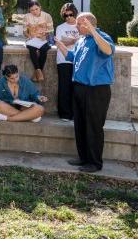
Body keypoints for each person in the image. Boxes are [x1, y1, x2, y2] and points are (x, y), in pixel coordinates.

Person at [55, 12, 115, 173]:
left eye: (80, 24)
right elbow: (74, 57)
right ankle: (83, 158)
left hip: (96, 90)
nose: (76, 26)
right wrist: (59, 45)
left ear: (88, 24)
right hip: (80, 88)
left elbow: (108, 51)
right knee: (80, 125)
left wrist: (93, 31)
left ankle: (95, 163)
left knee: (93, 127)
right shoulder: (82, 40)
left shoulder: (101, 37)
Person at [55, 3, 80, 121]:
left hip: (79, 60)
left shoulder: (80, 26)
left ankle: (76, 114)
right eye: (66, 15)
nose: (69, 17)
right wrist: (75, 40)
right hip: (63, 60)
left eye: (71, 14)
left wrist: (69, 41)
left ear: (75, 13)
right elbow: (60, 43)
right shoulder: (60, 28)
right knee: (64, 87)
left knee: (77, 88)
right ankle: (65, 114)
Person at [23, 0, 54, 82]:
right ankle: (39, 72)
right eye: (32, 10)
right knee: (31, 48)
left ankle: (37, 73)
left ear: (40, 7)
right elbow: (24, 31)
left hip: (43, 39)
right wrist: (29, 36)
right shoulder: (26, 16)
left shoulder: (47, 16)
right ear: (29, 10)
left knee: (44, 49)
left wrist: (46, 36)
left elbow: (51, 30)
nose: (34, 11)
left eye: (36, 9)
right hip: (32, 39)